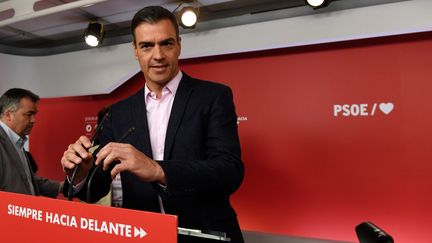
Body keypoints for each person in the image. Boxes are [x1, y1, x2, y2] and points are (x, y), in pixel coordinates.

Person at [60, 5, 244, 243]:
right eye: (147, 45)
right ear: (135, 50)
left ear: (178, 45)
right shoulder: (118, 112)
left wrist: (158, 170)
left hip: (206, 234)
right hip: (143, 236)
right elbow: (95, 189)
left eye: (166, 43)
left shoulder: (213, 97)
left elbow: (229, 172)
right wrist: (80, 174)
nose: (158, 55)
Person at [0, 88, 62, 197]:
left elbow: (26, 180)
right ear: (8, 115)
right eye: (29, 114)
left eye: (34, 114)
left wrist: (62, 186)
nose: (34, 120)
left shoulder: (17, 141)